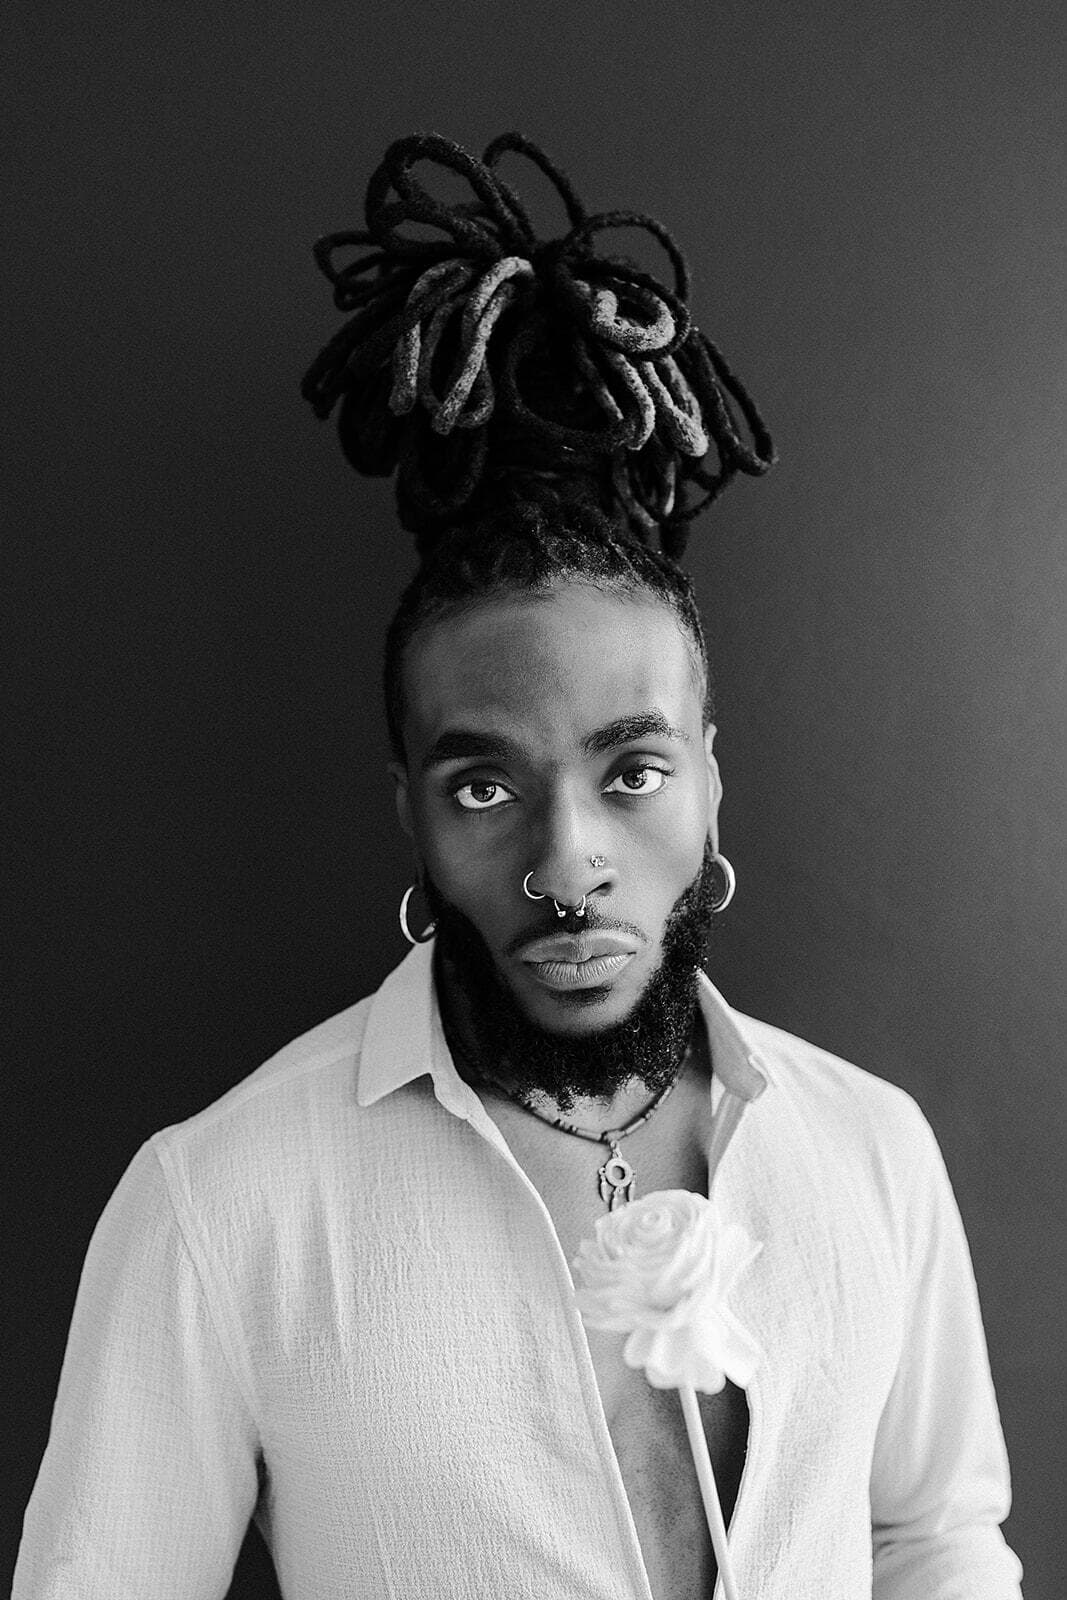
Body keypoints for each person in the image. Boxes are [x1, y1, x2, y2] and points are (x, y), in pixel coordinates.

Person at [15, 132, 1023, 1600]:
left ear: (712, 779)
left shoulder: (873, 1153)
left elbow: (935, 1538)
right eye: (485, 782)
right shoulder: (220, 1205)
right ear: (413, 814)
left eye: (632, 771)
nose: (568, 862)